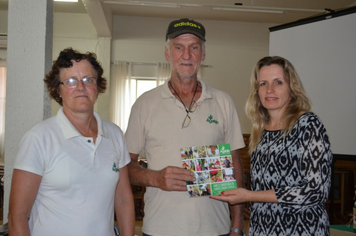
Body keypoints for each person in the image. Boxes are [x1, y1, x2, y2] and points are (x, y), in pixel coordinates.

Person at [125, 18, 245, 236]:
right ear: (167, 53)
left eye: (194, 47)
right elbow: (126, 166)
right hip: (160, 229)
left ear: (203, 55)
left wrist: (237, 225)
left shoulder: (223, 102)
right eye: (178, 47)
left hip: (215, 229)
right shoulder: (145, 104)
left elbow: (235, 165)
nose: (186, 55)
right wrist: (155, 178)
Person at [8, 48, 135, 236]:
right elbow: (17, 215)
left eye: (88, 79)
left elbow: (123, 199)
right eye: (70, 81)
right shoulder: (39, 138)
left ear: (98, 87)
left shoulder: (114, 134)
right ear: (58, 90)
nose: (81, 87)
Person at [210, 56, 333, 235]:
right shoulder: (261, 130)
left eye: (278, 82)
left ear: (291, 87)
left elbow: (316, 191)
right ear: (257, 91)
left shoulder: (308, 124)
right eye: (263, 84)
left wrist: (249, 195)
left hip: (302, 229)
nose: (270, 90)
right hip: (263, 229)